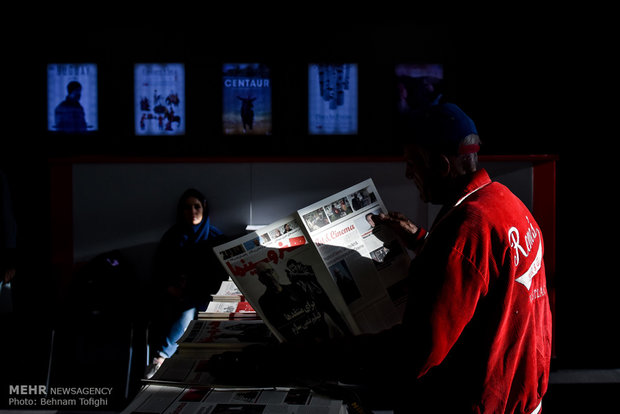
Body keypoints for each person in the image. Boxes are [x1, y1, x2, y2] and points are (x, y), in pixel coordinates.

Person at [208, 103, 552, 414]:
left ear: (442, 165)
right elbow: (483, 273)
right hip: (520, 391)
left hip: (482, 403)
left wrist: (297, 358)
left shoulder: (466, 230)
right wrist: (420, 240)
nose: (407, 174)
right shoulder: (504, 203)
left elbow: (414, 353)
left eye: (412, 164)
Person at [146, 188, 228, 378]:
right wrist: (171, 288)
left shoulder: (215, 237)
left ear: (204, 208)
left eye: (196, 206)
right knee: (186, 313)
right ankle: (160, 360)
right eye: (187, 207)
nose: (192, 212)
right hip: (180, 295)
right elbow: (160, 272)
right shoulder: (172, 237)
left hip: (206, 294)